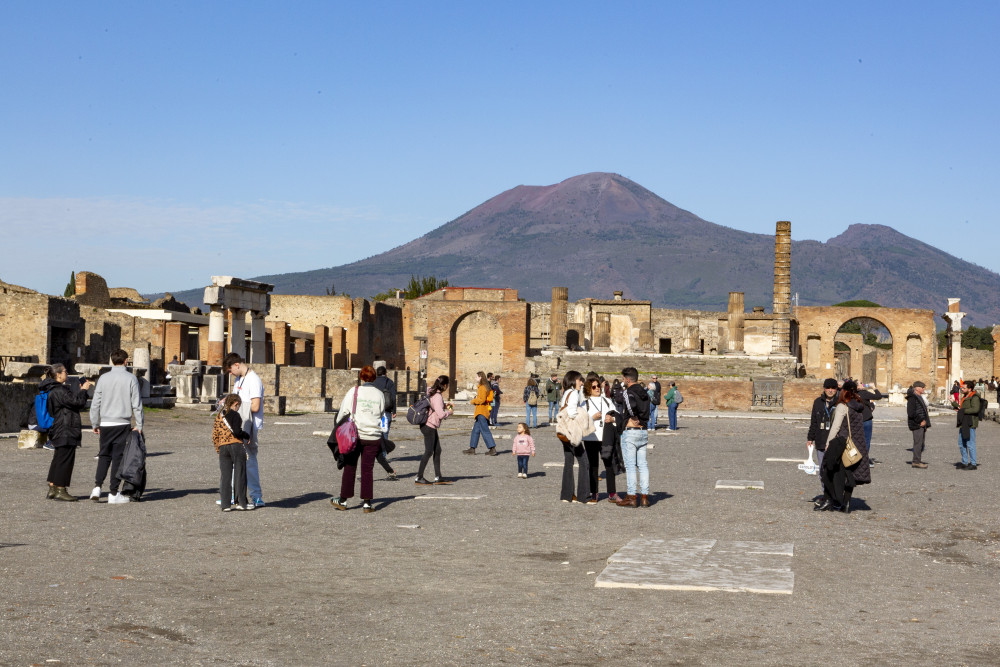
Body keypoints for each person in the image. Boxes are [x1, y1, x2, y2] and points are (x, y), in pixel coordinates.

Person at [89, 349, 144, 504]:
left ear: (112, 361)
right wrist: (139, 424)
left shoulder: (103, 378)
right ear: (126, 361)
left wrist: (94, 422)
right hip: (122, 422)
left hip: (106, 422)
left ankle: (97, 487)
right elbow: (137, 404)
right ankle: (113, 492)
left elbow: (95, 403)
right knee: (117, 458)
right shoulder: (131, 378)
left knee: (104, 455)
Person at [331, 366, 386, 512]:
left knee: (350, 467)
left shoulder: (354, 391)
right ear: (374, 378)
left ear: (362, 377)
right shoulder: (379, 394)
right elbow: (381, 414)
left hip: (355, 435)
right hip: (373, 436)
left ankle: (343, 500)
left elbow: (343, 411)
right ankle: (367, 503)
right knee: (367, 470)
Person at [816, 380, 870, 513]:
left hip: (842, 443)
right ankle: (845, 503)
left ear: (843, 391)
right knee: (849, 474)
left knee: (828, 470)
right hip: (857, 445)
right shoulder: (858, 406)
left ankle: (829, 500)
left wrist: (829, 442)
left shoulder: (843, 406)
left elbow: (836, 427)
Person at [43, 364, 93, 501]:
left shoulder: (52, 389)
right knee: (65, 460)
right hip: (66, 428)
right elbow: (77, 402)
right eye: (65, 371)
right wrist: (83, 390)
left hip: (58, 427)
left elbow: (69, 403)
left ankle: (53, 488)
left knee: (58, 458)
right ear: (58, 374)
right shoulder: (59, 390)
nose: (67, 373)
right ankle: (60, 489)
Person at [224, 353, 266, 507]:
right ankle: (233, 496)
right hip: (237, 424)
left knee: (249, 461)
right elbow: (236, 399)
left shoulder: (253, 380)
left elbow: (255, 406)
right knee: (235, 459)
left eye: (230, 370)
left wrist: (236, 408)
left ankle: (256, 496)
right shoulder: (238, 379)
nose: (230, 373)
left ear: (236, 364)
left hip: (249, 425)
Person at [616, 367, 651, 508]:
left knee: (630, 466)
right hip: (643, 431)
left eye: (624, 379)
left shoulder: (627, 392)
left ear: (628, 379)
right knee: (642, 465)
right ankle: (644, 497)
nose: (623, 381)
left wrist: (633, 416)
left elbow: (631, 405)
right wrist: (642, 419)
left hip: (631, 430)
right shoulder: (645, 392)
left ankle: (631, 496)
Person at [582, 375, 619, 503]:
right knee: (593, 466)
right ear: (589, 389)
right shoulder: (584, 403)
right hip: (590, 438)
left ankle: (612, 493)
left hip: (605, 437)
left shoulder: (607, 401)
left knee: (609, 465)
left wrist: (612, 418)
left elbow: (616, 415)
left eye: (598, 385)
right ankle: (594, 493)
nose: (597, 388)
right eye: (594, 386)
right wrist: (592, 417)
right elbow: (580, 422)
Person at [212, 393, 251, 511]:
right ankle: (241, 503)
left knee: (225, 476)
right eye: (238, 406)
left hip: (223, 447)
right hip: (236, 446)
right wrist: (246, 435)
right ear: (235, 404)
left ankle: (225, 504)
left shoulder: (219, 416)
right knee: (240, 474)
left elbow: (214, 436)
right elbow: (237, 432)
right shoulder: (235, 415)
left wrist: (218, 449)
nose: (238, 408)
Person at [558, 371, 590, 503]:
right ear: (573, 380)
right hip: (572, 432)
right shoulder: (573, 393)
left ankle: (567, 495)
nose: (581, 383)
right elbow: (571, 412)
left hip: (564, 432)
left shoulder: (566, 393)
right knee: (584, 462)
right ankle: (584, 496)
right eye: (579, 380)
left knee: (569, 462)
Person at [415, 375, 453, 485]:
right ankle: (419, 477)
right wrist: (449, 412)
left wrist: (445, 405)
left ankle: (438, 476)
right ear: (445, 385)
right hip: (429, 425)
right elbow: (441, 414)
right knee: (429, 451)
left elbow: (435, 406)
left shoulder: (430, 391)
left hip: (427, 424)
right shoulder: (437, 396)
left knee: (437, 450)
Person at [806, 379, 839, 503]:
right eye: (828, 388)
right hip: (820, 441)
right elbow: (813, 421)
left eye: (833, 388)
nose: (830, 390)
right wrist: (810, 438)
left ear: (836, 389)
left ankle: (835, 496)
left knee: (834, 471)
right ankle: (826, 495)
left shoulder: (840, 403)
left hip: (835, 443)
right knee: (822, 471)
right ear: (824, 388)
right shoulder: (818, 402)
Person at [371, 365, 398, 481]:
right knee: (385, 433)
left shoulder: (372, 382)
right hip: (385, 412)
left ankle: (376, 455)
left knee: (375, 433)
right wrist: (394, 411)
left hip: (374, 412)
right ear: (385, 373)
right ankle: (383, 455)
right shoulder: (389, 382)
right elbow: (393, 397)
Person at [465, 371, 498, 455]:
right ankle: (472, 448)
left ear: (480, 377)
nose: (475, 378)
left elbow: (482, 400)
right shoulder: (483, 387)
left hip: (481, 412)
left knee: (485, 430)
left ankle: (492, 448)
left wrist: (472, 401)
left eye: (476, 377)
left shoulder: (482, 387)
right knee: (475, 431)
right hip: (481, 412)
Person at [950, 380, 981, 470]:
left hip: (970, 422)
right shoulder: (965, 396)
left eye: (964, 388)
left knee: (970, 443)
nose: (961, 389)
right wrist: (953, 402)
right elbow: (961, 408)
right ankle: (964, 462)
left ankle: (973, 463)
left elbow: (975, 409)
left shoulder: (974, 397)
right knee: (961, 443)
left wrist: (962, 411)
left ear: (970, 389)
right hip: (963, 422)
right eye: (962, 387)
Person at [858, 383, 885, 466]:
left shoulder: (852, 394)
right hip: (866, 419)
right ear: (857, 386)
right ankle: (864, 460)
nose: (862, 385)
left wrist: (870, 404)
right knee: (866, 440)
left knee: (857, 440)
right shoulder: (863, 393)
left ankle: (857, 459)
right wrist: (874, 387)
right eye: (860, 384)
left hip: (856, 419)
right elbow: (879, 396)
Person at [906, 381, 931, 468]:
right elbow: (911, 413)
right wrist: (920, 421)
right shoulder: (912, 398)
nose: (924, 389)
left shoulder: (919, 397)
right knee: (918, 443)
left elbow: (924, 411)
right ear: (917, 388)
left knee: (921, 443)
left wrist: (926, 424)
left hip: (922, 424)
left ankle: (918, 460)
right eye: (922, 387)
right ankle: (916, 461)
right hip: (917, 424)